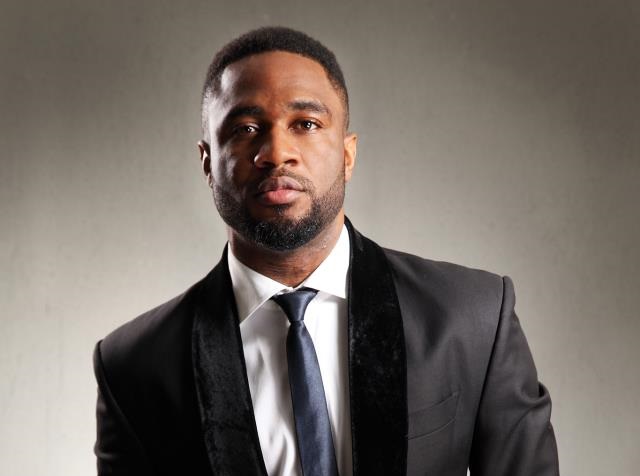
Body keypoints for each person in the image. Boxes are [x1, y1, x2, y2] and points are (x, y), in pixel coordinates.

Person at [93, 26, 559, 476]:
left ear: (347, 154)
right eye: (246, 128)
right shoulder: (133, 366)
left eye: (306, 124)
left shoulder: (472, 317)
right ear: (207, 162)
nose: (277, 152)